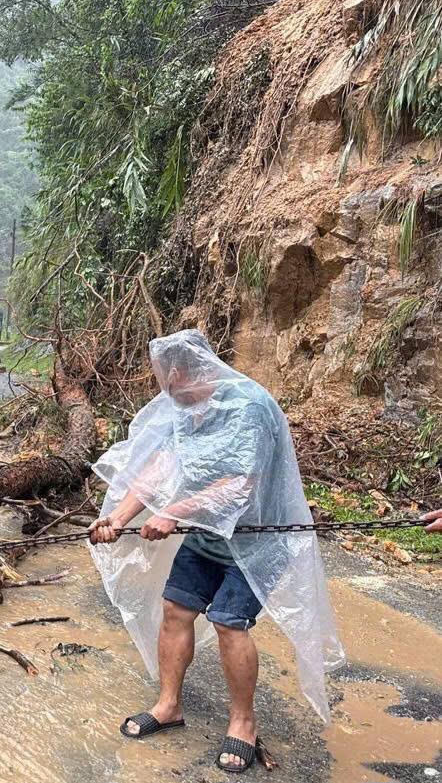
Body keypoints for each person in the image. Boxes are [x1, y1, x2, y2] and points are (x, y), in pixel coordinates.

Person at [89, 329, 344, 773]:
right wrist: (119, 517)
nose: (168, 396)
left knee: (229, 622)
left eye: (169, 385)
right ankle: (169, 706)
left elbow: (243, 485)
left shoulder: (249, 405)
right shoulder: (189, 409)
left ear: (183, 371)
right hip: (208, 533)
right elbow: (159, 467)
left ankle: (242, 723)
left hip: (258, 539)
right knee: (175, 609)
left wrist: (172, 512)